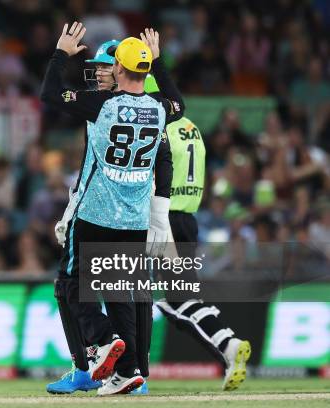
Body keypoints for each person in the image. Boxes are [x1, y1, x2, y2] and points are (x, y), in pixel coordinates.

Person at [41, 23, 183, 396]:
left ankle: (103, 342)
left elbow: (50, 94)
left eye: (109, 67)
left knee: (70, 284)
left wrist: (60, 54)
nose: (102, 74)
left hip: (95, 213)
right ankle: (129, 372)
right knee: (123, 295)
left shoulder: (102, 104)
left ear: (119, 70)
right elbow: (178, 103)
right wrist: (159, 62)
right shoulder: (158, 108)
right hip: (134, 219)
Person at [144, 76, 251, 391]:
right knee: (175, 299)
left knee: (157, 297)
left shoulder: (156, 125)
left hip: (163, 216)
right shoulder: (192, 128)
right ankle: (228, 345)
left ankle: (227, 345)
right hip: (187, 218)